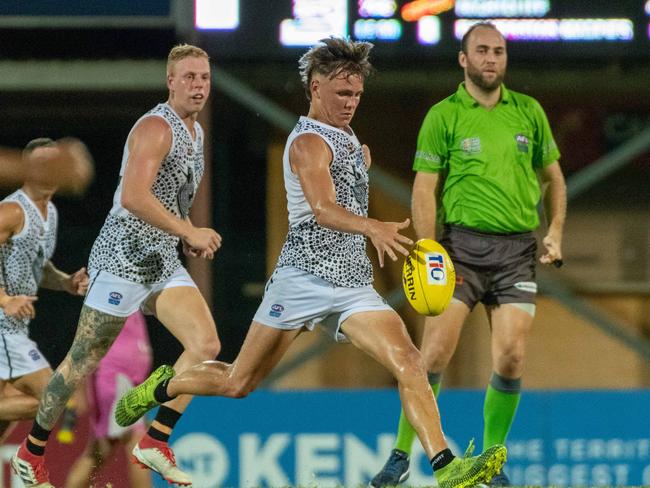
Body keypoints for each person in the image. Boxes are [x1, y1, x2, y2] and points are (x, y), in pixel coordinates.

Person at [115, 37, 507, 488]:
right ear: (315, 87)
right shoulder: (306, 143)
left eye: (357, 95)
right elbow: (322, 209)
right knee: (238, 383)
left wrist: (368, 221)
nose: (351, 103)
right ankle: (161, 388)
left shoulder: (352, 142)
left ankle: (446, 468)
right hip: (300, 281)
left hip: (354, 286)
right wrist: (373, 227)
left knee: (409, 361)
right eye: (342, 94)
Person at [11, 43, 222, 488]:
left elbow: (166, 201)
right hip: (122, 258)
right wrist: (189, 231)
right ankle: (31, 454)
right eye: (188, 77)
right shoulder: (155, 128)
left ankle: (156, 439)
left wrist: (186, 233)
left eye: (203, 77)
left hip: (161, 260)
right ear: (170, 81)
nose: (198, 86)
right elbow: (133, 196)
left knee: (205, 345)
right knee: (81, 360)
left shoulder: (197, 134)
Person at [370, 22, 567, 487]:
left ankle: (493, 460)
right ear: (463, 59)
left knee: (513, 358)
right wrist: (427, 246)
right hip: (459, 249)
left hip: (517, 251)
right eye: (481, 50)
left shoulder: (529, 112)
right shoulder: (444, 115)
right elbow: (424, 186)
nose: (491, 58)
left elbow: (555, 179)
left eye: (499, 51)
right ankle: (400, 456)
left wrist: (555, 232)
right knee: (432, 353)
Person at [0, 138, 89, 443]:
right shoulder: (12, 210)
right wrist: (4, 299)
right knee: (53, 398)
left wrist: (65, 282)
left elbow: (38, 265)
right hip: (2, 327)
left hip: (16, 327)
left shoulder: (50, 212)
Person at [64, 311, 153, 488]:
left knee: (99, 450)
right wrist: (78, 385)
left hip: (127, 379)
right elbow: (86, 335)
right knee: (138, 444)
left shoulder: (131, 291)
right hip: (114, 378)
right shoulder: (107, 291)